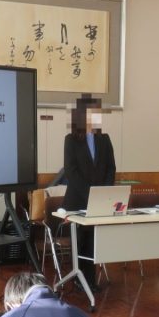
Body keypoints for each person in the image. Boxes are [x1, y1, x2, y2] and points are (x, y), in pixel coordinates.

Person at [63, 94, 116, 291]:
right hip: (78, 199)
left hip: (99, 202)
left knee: (94, 242)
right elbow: (71, 171)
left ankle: (91, 281)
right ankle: (79, 279)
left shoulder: (104, 138)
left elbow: (111, 168)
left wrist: (104, 193)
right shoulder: (71, 140)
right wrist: (91, 194)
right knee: (80, 240)